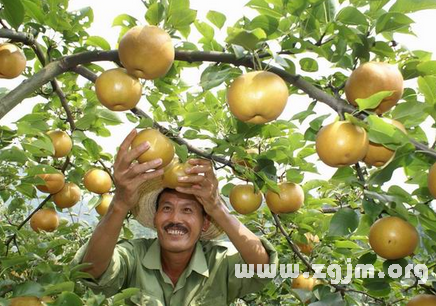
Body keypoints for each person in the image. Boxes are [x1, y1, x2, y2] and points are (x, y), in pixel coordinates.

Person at [73, 129, 278, 305]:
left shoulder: (220, 263)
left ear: (205, 222)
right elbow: (91, 271)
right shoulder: (134, 257)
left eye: (188, 210)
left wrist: (216, 207)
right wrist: (119, 203)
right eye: (167, 208)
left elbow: (264, 269)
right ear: (155, 219)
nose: (175, 218)